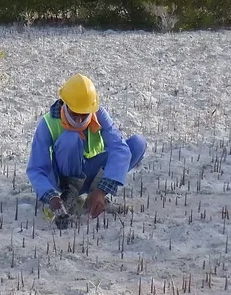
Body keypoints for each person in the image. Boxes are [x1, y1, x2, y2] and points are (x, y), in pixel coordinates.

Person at [26, 74, 146, 225]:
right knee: (70, 137)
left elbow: (119, 149)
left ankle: (94, 198)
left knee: (137, 144)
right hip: (63, 178)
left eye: (84, 115)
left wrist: (101, 190)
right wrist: (51, 196)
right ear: (65, 105)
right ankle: (69, 196)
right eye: (74, 114)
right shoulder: (48, 122)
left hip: (93, 174)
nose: (79, 120)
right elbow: (36, 168)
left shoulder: (99, 114)